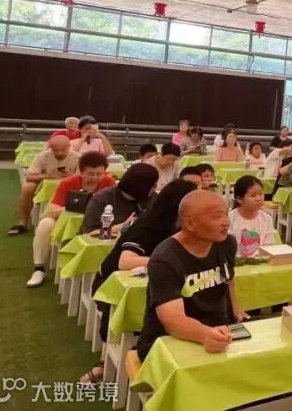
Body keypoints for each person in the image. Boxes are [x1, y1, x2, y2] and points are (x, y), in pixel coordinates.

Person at [79, 180, 199, 382]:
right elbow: (125, 261)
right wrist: (169, 263)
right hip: (112, 286)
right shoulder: (147, 224)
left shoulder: (188, 228)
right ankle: (106, 362)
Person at [134, 190, 246, 361]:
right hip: (166, 339)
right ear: (190, 223)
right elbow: (173, 320)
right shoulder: (164, 258)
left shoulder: (226, 243)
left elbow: (228, 277)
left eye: (226, 214)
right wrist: (206, 334)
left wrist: (235, 309)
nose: (225, 222)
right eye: (217, 217)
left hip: (218, 329)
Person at [26, 151, 116, 287]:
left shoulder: (109, 182)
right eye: (90, 174)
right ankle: (39, 268)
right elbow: (50, 211)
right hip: (68, 223)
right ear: (81, 171)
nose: (95, 178)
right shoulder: (68, 183)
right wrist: (72, 207)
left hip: (97, 224)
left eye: (99, 174)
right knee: (45, 224)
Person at [9, 134, 80, 235]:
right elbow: (29, 177)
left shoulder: (78, 157)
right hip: (44, 185)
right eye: (56, 150)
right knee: (27, 187)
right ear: (50, 148)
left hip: (70, 186)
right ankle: (22, 223)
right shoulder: (42, 156)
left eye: (63, 150)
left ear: (69, 147)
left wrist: (70, 176)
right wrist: (47, 176)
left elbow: (82, 178)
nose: (60, 153)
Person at [79, 162, 159, 234]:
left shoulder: (151, 197)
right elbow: (89, 233)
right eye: (152, 185)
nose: (155, 187)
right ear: (140, 186)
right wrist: (121, 227)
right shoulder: (102, 199)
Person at [228, 176, 274, 257]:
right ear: (240, 199)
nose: (259, 198)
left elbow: (268, 247)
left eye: (260, 194)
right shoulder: (230, 218)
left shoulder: (267, 218)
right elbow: (226, 248)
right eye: (253, 195)